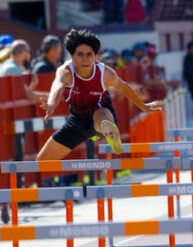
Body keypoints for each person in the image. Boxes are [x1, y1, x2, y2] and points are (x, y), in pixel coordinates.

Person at [36, 29, 164, 160]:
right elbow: (57, 85)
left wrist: (143, 106)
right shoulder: (66, 71)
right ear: (72, 56)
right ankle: (103, 131)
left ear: (95, 56)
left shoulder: (105, 73)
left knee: (101, 115)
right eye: (80, 54)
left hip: (101, 114)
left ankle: (110, 133)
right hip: (77, 122)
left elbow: (124, 87)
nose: (85, 59)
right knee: (41, 161)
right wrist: (51, 103)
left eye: (89, 54)